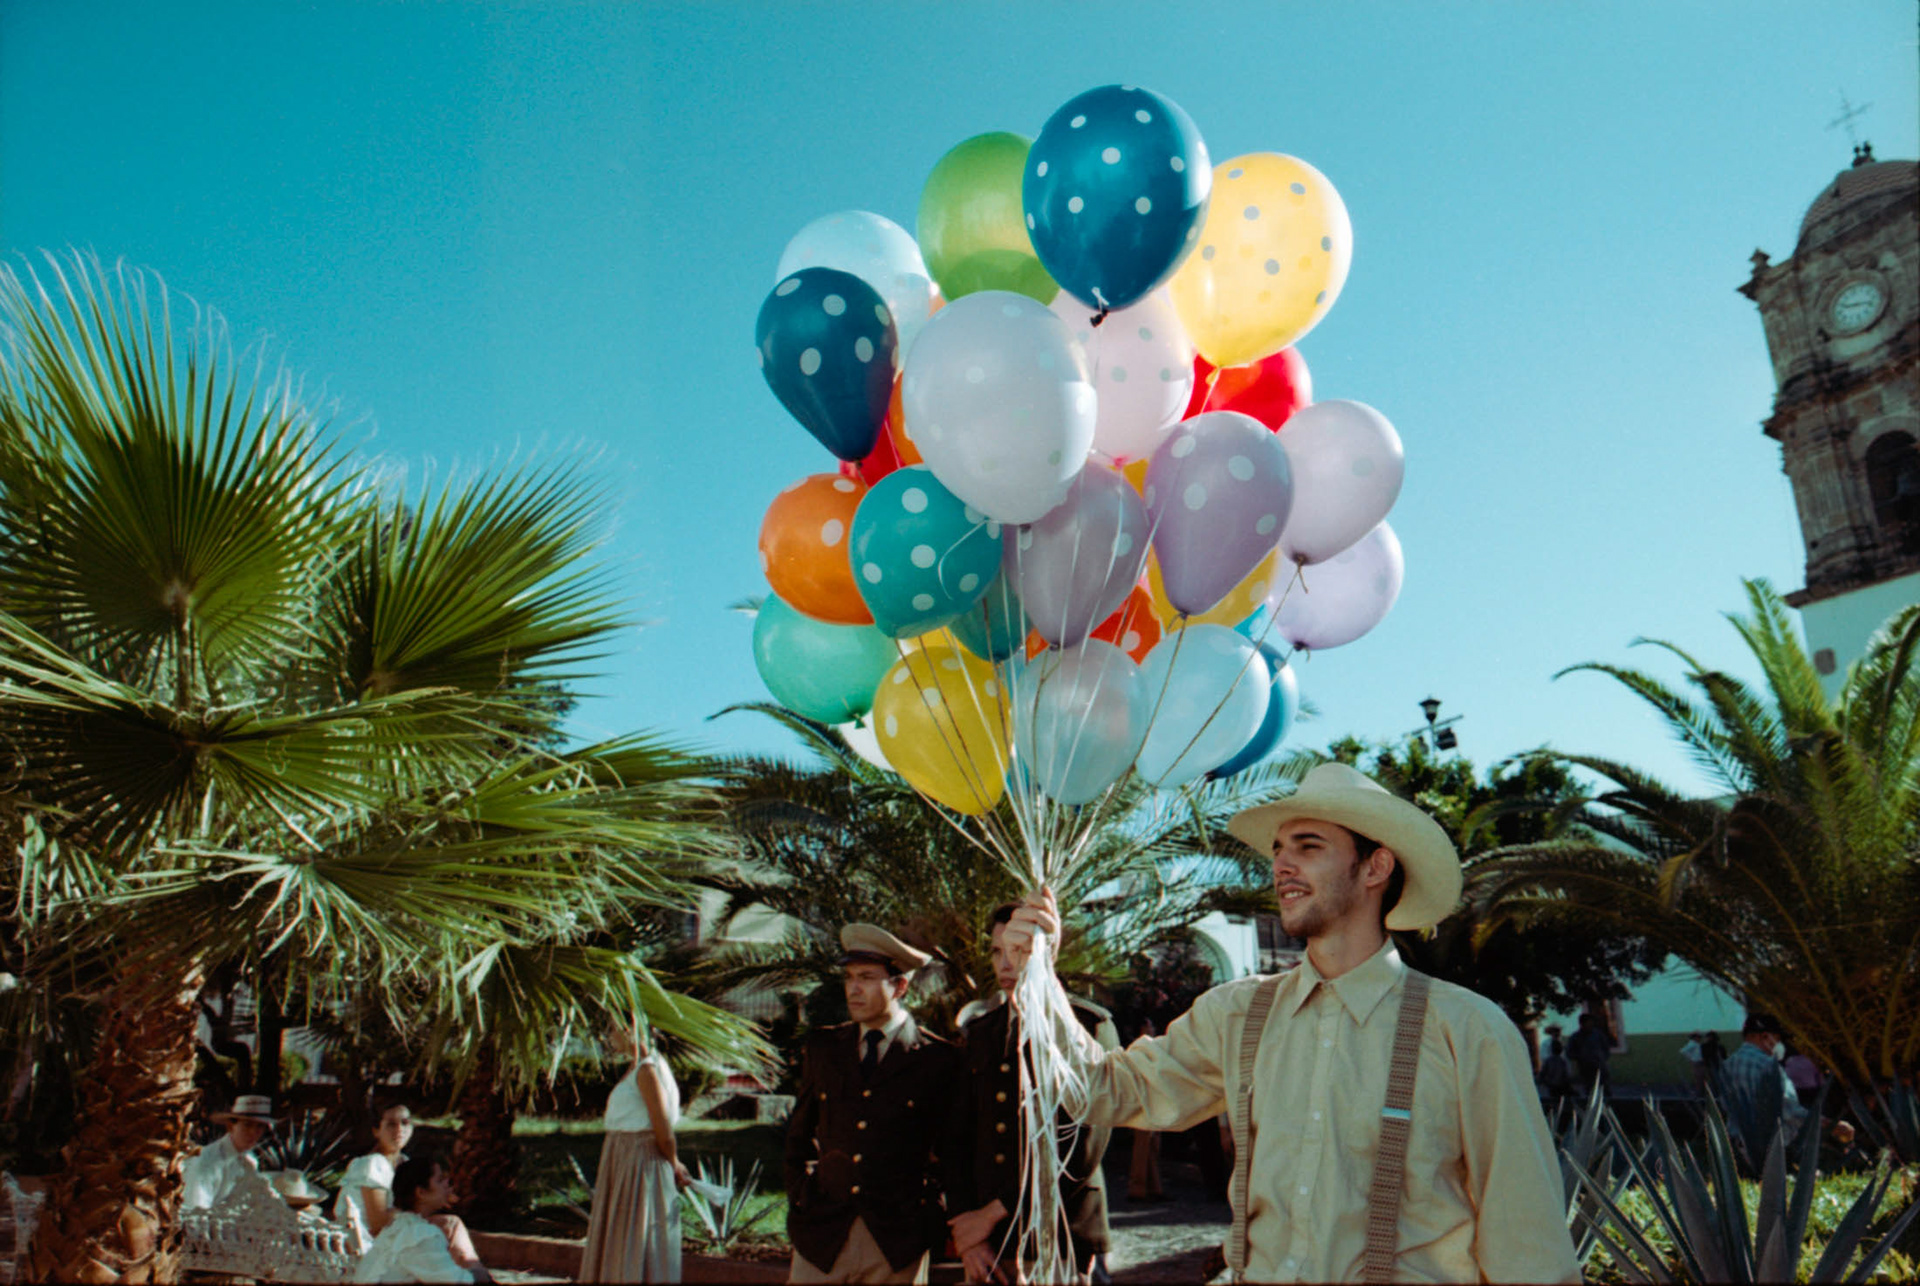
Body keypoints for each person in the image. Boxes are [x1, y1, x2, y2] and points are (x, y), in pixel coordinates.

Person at [1001, 763, 1581, 1283]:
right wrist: (1039, 979)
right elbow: (1104, 1090)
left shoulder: (1467, 1030)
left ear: (1375, 866)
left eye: (1308, 846)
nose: (1280, 865)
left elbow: (1526, 1241)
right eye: (1279, 849)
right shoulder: (1236, 1013)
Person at [948, 904, 1119, 1284]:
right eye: (997, 951)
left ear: (1047, 952)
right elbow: (957, 1138)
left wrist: (993, 1212)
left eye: (1019, 950)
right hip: (991, 1246)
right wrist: (967, 1230)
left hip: (1062, 1235)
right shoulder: (982, 1033)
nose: (1006, 964)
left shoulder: (1086, 1026)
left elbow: (1083, 1146)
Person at [785, 923, 962, 1284]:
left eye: (866, 978)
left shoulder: (937, 1059)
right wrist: (802, 1195)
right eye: (849, 977)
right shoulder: (824, 1048)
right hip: (822, 1236)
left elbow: (954, 1152)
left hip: (896, 1242)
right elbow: (798, 1134)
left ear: (900, 986)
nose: (853, 989)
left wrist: (928, 1216)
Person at [579, 1019, 691, 1283]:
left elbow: (662, 1127)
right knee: (625, 1232)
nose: (609, 1036)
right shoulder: (639, 1067)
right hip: (622, 1157)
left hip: (637, 1159)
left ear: (631, 1030)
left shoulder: (648, 1070)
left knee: (636, 1230)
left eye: (613, 1029)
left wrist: (674, 1161)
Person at [354, 1153, 490, 1284]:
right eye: (440, 1180)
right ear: (421, 1192)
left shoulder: (398, 1228)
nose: (447, 1183)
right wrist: (479, 1273)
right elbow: (456, 1281)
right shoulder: (419, 1235)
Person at [335, 1098, 414, 1252]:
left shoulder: (405, 1163)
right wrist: (418, 1207)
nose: (400, 1129)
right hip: (367, 1246)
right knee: (449, 1225)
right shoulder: (372, 1164)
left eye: (405, 1122)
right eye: (391, 1124)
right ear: (376, 1131)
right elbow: (379, 1225)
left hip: (396, 1238)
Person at [180, 1094, 278, 1210]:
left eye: (259, 1127)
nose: (253, 1132)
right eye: (247, 1125)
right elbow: (196, 1210)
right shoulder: (207, 1161)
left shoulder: (250, 1160)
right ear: (231, 1126)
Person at [1567, 1010, 1614, 1097]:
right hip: (1586, 1068)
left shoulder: (1598, 1035)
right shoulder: (1576, 1037)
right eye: (1588, 1023)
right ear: (1582, 1024)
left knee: (1605, 1089)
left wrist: (1602, 1058)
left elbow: (1606, 1048)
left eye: (1591, 1022)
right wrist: (1581, 1057)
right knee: (1590, 1091)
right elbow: (1570, 1053)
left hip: (1600, 1066)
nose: (1590, 1025)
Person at [1537, 1030, 1575, 1112]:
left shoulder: (1558, 1061)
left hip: (1556, 1086)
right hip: (1555, 1086)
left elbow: (1542, 1075)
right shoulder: (1559, 1061)